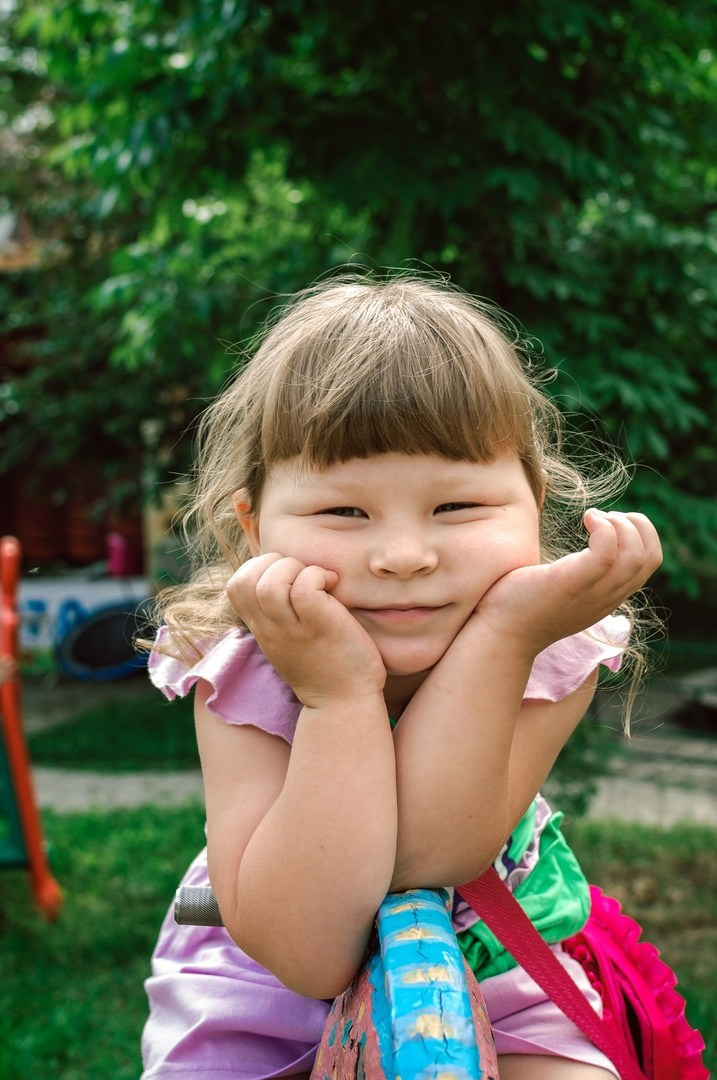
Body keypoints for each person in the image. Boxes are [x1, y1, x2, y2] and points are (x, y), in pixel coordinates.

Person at [140, 274, 663, 1080]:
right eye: (343, 514)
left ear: (535, 500)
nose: (403, 556)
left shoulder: (550, 643)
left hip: (496, 971)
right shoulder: (240, 663)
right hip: (261, 994)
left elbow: (430, 852)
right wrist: (334, 695)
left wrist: (504, 636)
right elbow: (310, 954)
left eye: (455, 508)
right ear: (253, 527)